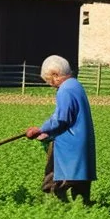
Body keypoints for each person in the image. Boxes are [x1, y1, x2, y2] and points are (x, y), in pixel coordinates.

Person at [25, 55, 96, 205]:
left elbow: (61, 119)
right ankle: (81, 208)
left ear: (56, 75)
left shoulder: (65, 90)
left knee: (57, 180)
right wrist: (46, 131)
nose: (51, 85)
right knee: (81, 187)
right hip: (80, 141)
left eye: (49, 80)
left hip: (70, 144)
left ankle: (56, 206)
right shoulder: (76, 85)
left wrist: (41, 129)